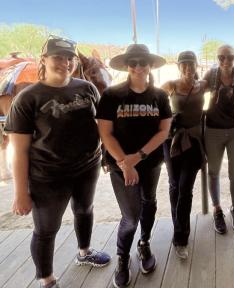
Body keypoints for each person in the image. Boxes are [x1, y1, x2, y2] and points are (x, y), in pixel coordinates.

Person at [6, 36, 110, 288]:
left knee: (84, 210)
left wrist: (106, 154)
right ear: (44, 60)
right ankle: (46, 279)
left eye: (70, 58)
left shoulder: (87, 88)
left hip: (87, 167)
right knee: (46, 229)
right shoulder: (28, 98)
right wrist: (20, 192)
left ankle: (84, 252)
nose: (65, 63)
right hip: (48, 176)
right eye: (58, 57)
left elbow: (102, 126)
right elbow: (18, 150)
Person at [96, 44, 172, 287]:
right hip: (121, 167)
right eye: (133, 62)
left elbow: (164, 130)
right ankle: (122, 256)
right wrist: (124, 163)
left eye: (143, 62)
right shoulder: (112, 95)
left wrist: (139, 156)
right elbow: (106, 134)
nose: (138, 66)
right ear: (127, 66)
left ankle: (145, 243)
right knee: (130, 215)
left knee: (149, 203)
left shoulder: (159, 96)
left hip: (150, 163)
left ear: (150, 65)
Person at [161, 51, 206, 259]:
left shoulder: (202, 85)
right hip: (172, 142)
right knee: (174, 186)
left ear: (197, 65)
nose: (188, 68)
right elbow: (154, 104)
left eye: (191, 64)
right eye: (184, 64)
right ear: (179, 66)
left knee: (185, 188)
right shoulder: (170, 85)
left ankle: (181, 238)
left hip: (194, 142)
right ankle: (178, 223)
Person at [203, 44, 234, 234]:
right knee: (213, 172)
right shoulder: (210, 75)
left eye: (229, 57)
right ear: (217, 58)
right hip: (213, 130)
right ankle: (217, 209)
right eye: (221, 57)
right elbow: (197, 95)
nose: (225, 61)